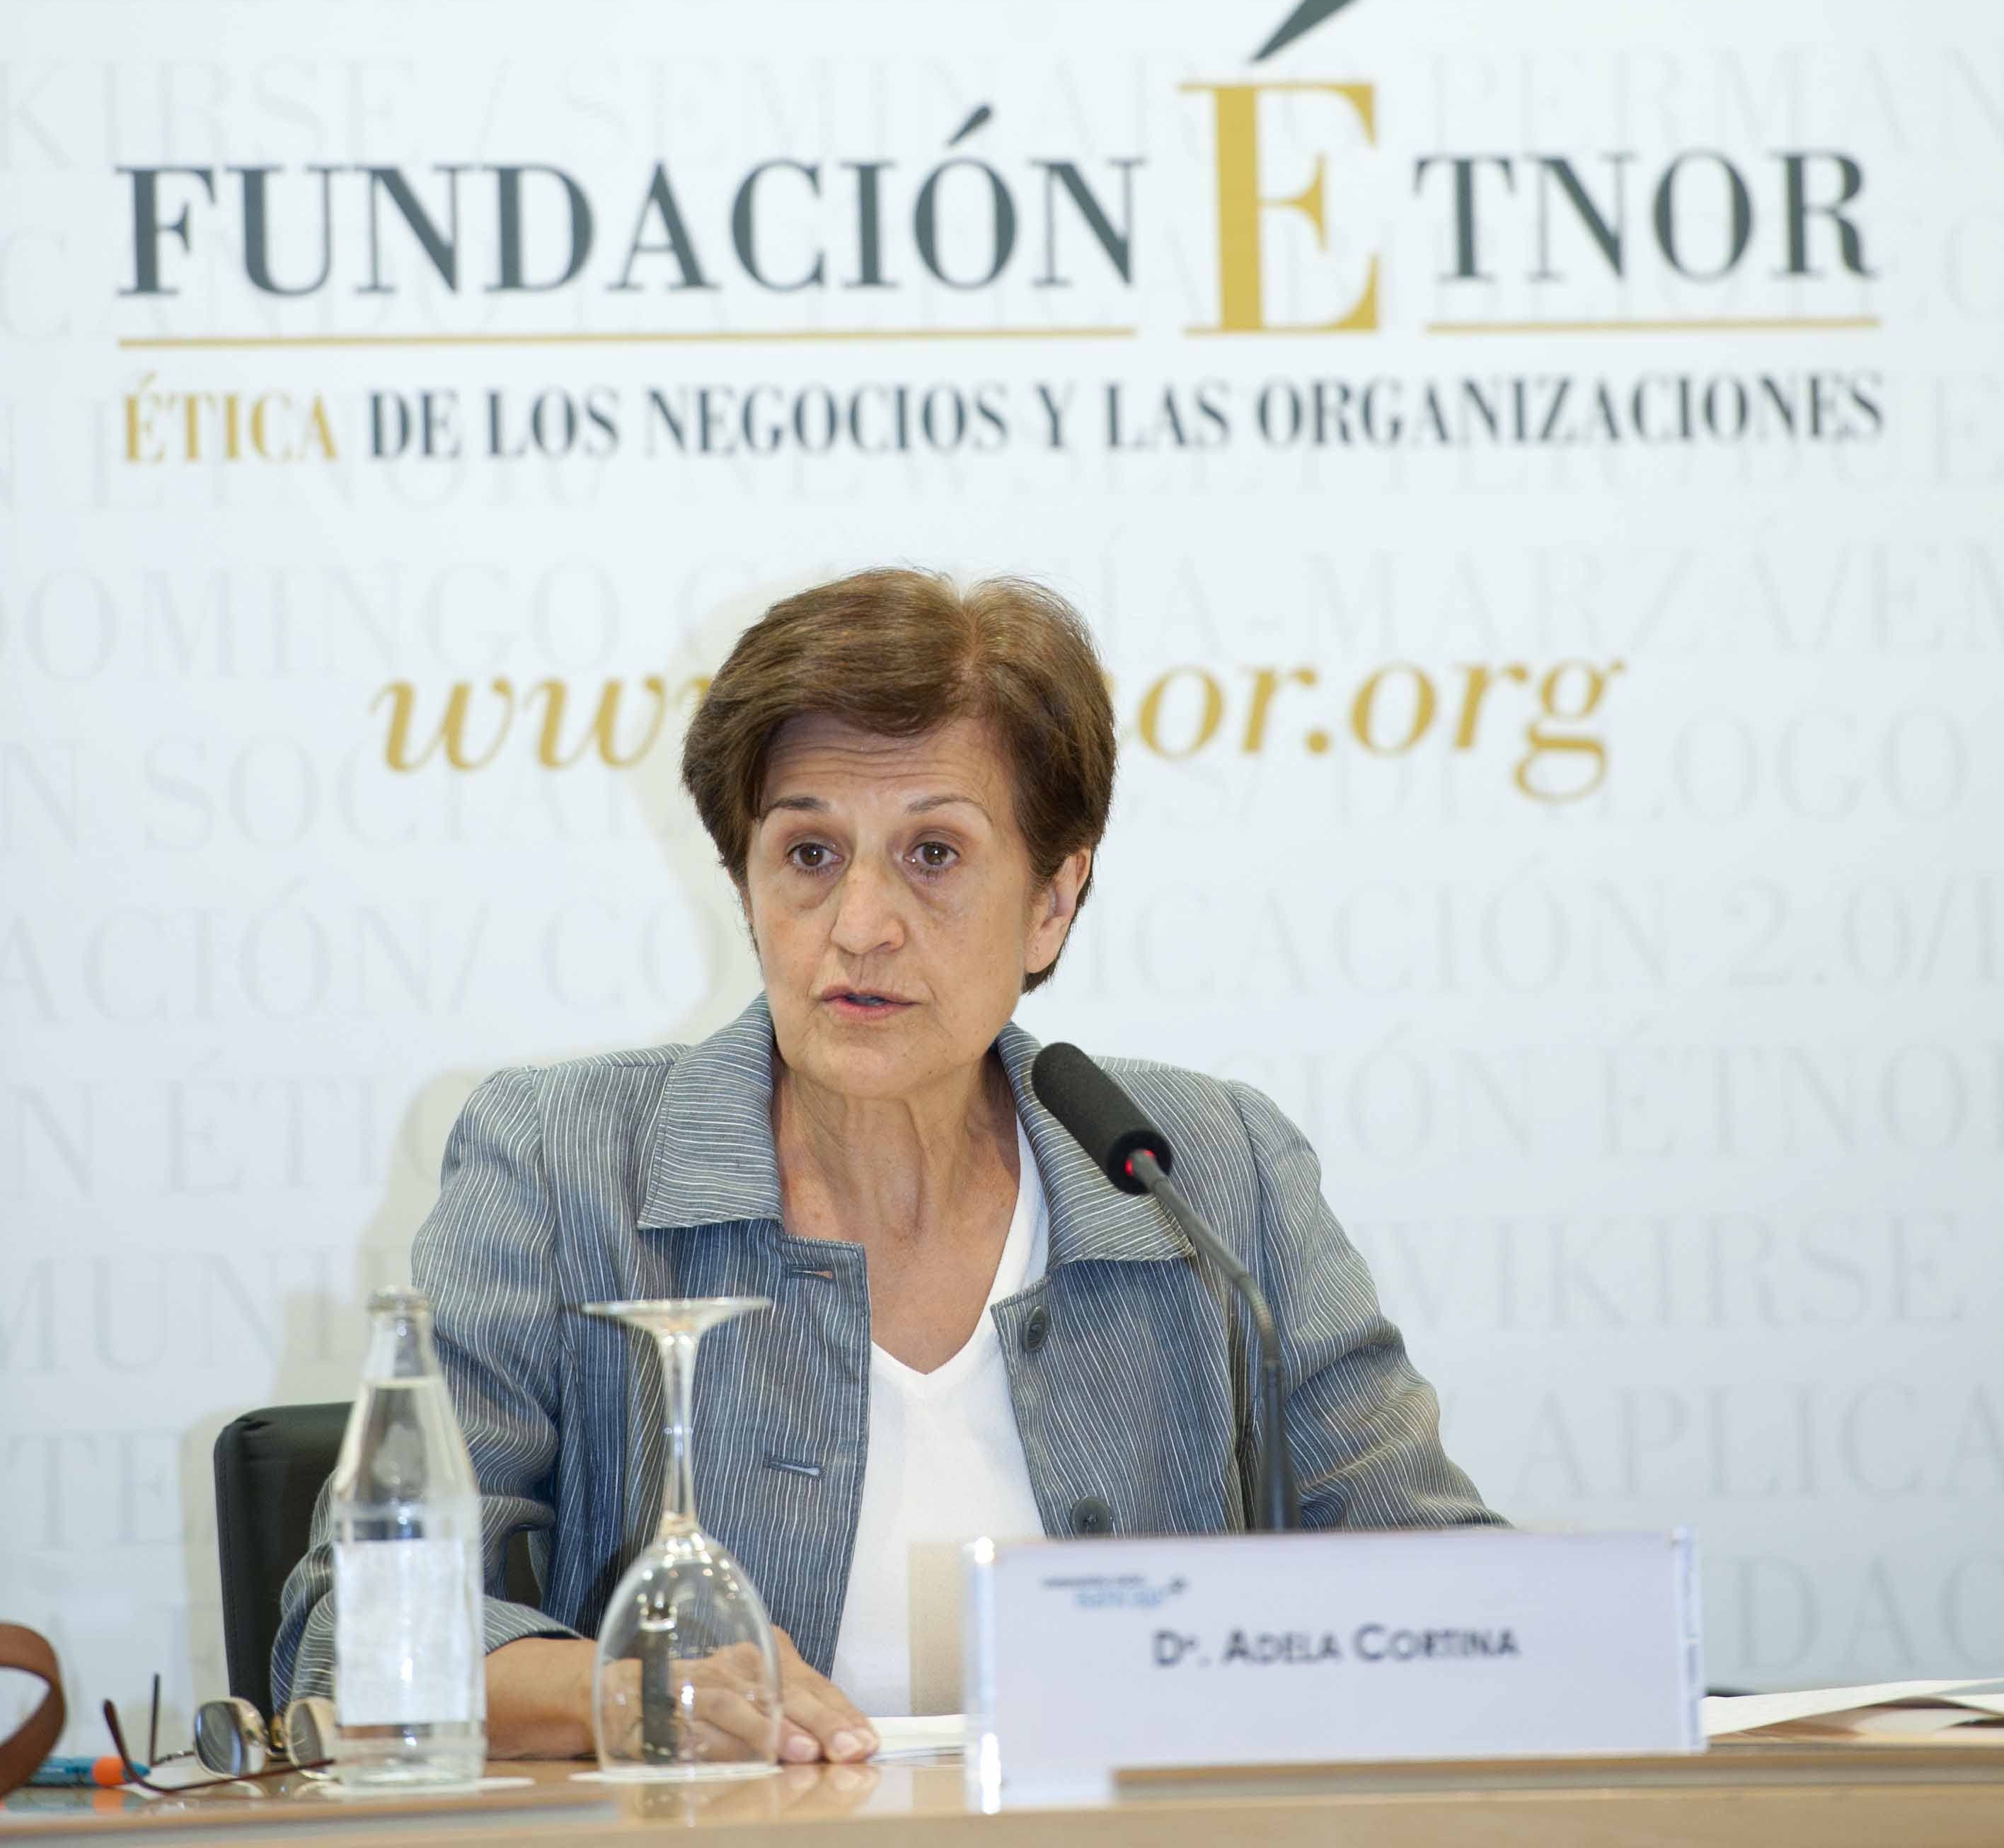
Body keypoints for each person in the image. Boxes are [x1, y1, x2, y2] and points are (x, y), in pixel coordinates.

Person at [274, 568, 1495, 1758]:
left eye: (935, 855)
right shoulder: (560, 1163)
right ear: (747, 886)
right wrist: (636, 1694)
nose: (860, 926)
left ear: (1053, 901)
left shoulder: (1207, 1173)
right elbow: (349, 1638)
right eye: (809, 854)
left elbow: (1457, 1595)